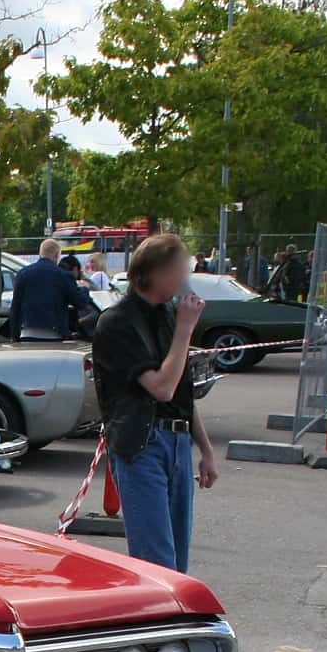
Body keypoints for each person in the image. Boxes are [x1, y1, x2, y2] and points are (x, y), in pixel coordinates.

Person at [90, 233, 219, 573]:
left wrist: (204, 450)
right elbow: (161, 388)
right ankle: (156, 622)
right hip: (141, 444)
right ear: (156, 273)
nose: (185, 280)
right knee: (156, 561)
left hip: (176, 441)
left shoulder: (167, 315)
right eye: (179, 271)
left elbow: (181, 392)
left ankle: (176, 623)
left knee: (176, 563)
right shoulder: (118, 322)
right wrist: (184, 332)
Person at [8, 238, 90, 340]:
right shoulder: (63, 275)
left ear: (40, 253)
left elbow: (15, 307)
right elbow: (80, 302)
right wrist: (84, 289)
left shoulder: (23, 274)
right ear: (56, 255)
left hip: (27, 333)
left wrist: (14, 335)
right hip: (54, 334)